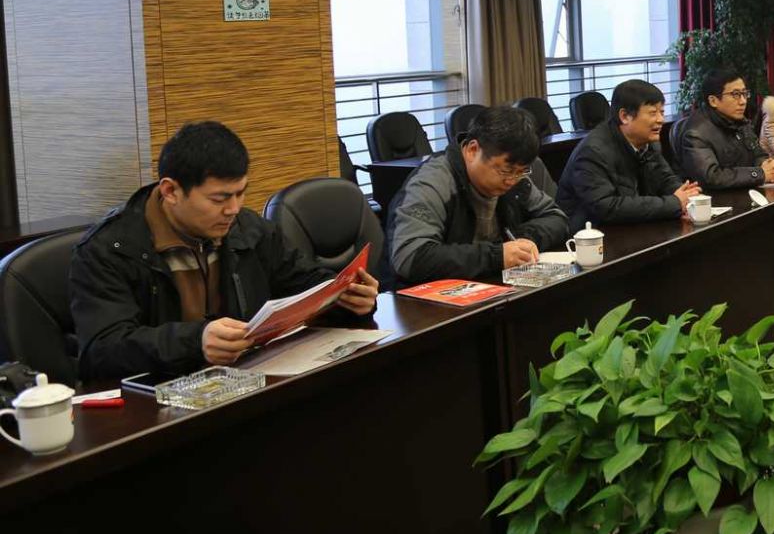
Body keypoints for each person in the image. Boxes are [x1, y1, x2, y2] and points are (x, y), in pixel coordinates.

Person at [69, 121, 380, 381]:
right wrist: (196, 341)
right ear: (171, 191)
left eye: (240, 194)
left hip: (246, 385)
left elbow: (303, 283)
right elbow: (101, 350)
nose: (233, 209)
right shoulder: (111, 249)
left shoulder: (248, 229)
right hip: (160, 402)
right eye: (219, 199)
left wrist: (349, 299)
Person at [385, 105, 569, 287]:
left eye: (521, 172)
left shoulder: (515, 178)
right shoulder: (432, 184)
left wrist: (522, 241)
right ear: (472, 150)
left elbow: (556, 217)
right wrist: (496, 255)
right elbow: (409, 257)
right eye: (506, 171)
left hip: (491, 286)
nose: (512, 180)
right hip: (429, 299)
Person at [557, 79, 700, 228]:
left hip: (630, 226)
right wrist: (674, 203)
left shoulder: (649, 142)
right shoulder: (593, 151)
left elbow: (665, 178)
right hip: (589, 233)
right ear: (625, 116)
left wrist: (686, 196)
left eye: (662, 112)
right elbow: (607, 207)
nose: (661, 120)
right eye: (653, 113)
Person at [678, 66, 774, 189]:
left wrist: (769, 166)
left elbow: (758, 154)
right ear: (713, 101)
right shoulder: (696, 133)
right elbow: (712, 177)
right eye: (736, 95)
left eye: (744, 94)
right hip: (715, 198)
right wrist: (759, 173)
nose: (743, 101)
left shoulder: (740, 122)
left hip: (746, 189)